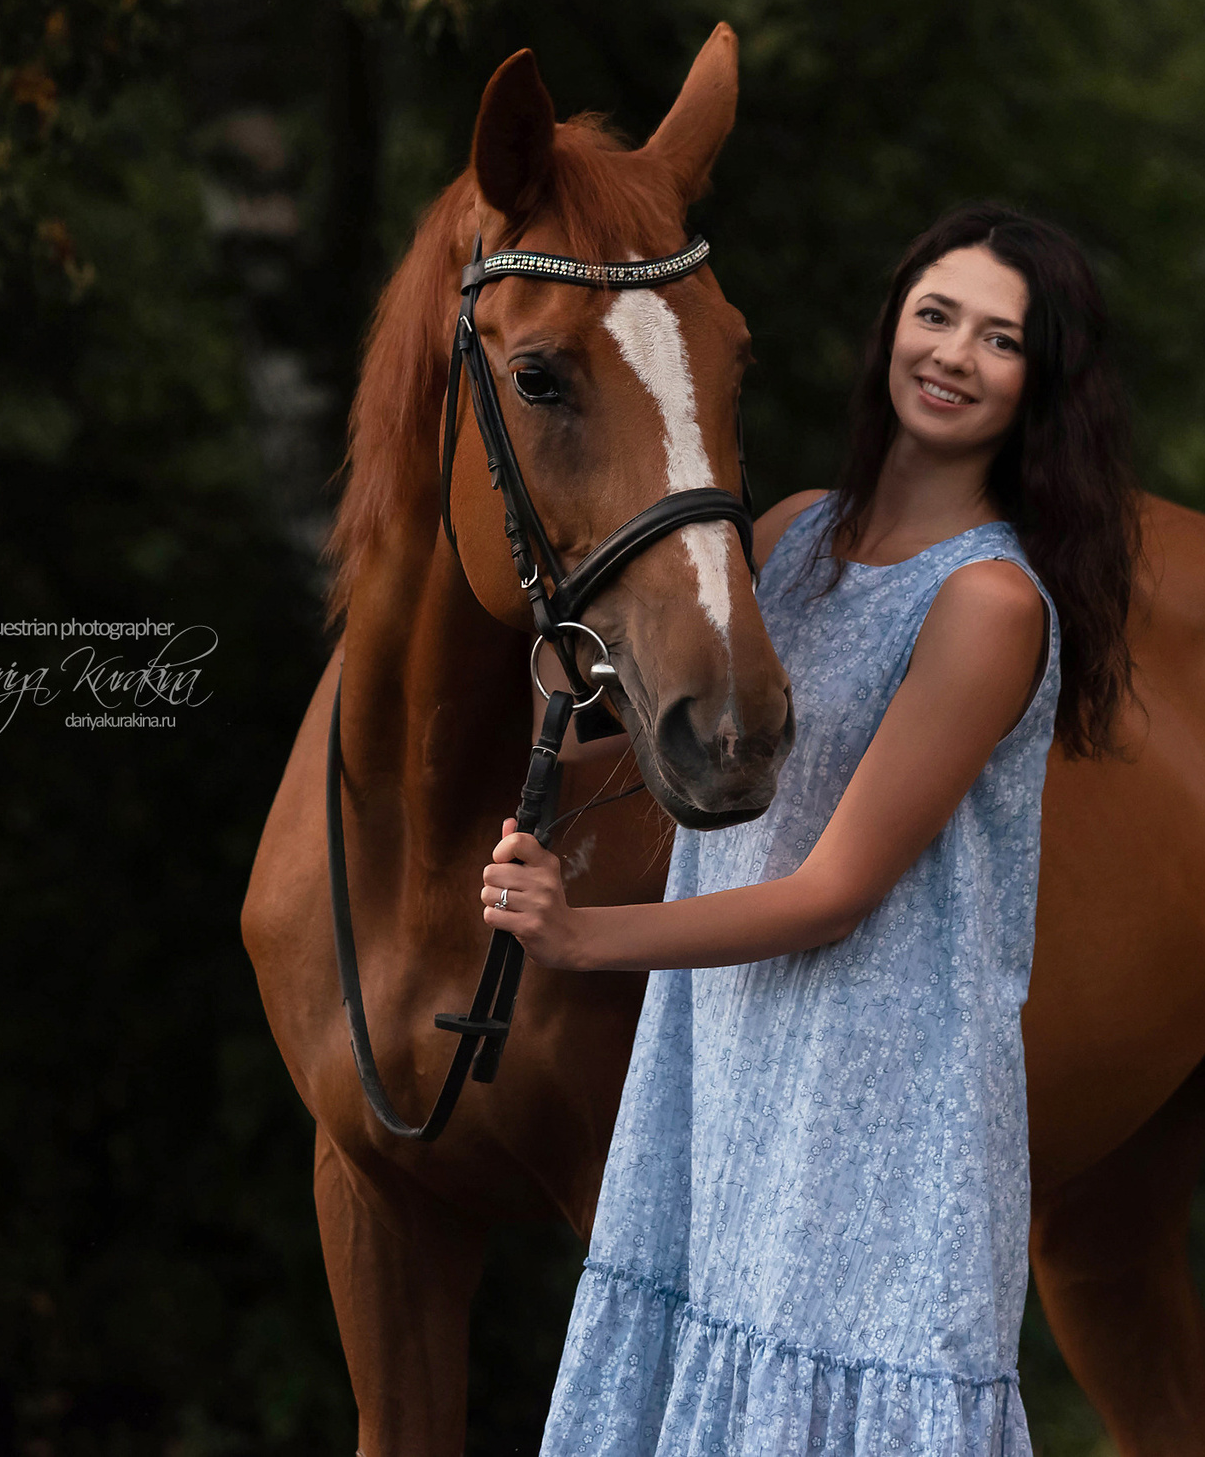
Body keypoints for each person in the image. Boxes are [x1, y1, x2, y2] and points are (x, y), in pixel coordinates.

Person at [478, 201, 1141, 1455]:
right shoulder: (781, 536)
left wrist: (580, 934)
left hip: (886, 1106)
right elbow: (653, 755)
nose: (950, 353)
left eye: (998, 339)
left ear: (1041, 380)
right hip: (727, 1074)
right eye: (934, 313)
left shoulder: (989, 602)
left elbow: (837, 886)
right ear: (891, 322)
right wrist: (562, 687)